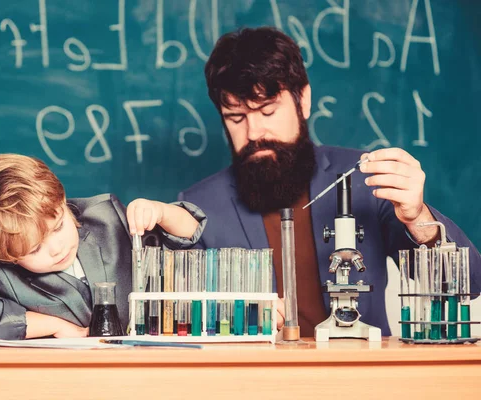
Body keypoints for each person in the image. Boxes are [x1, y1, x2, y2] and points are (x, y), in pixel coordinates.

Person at [178, 27, 480, 337]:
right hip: (253, 382)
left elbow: (469, 284)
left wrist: (419, 220)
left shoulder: (367, 179)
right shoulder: (199, 207)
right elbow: (183, 322)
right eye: (236, 118)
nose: (254, 133)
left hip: (363, 379)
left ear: (303, 100)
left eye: (267, 111)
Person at [0, 153, 206, 340]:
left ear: (62, 201)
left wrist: (161, 212)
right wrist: (54, 325)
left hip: (145, 360)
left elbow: (190, 234)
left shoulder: (105, 218)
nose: (56, 248)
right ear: (5, 256)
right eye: (33, 250)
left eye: (58, 227)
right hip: (69, 376)